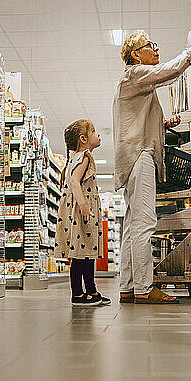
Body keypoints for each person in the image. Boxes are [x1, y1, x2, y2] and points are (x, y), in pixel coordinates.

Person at [113, 23, 191, 304]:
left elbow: (138, 121)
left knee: (132, 225)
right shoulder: (135, 74)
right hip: (139, 154)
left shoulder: (135, 83)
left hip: (131, 155)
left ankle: (128, 287)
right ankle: (144, 289)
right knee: (145, 222)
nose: (156, 50)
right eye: (150, 46)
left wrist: (164, 124)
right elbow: (170, 71)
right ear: (135, 55)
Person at [54, 120, 111, 306]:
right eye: (94, 131)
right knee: (80, 253)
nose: (98, 134)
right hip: (81, 211)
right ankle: (77, 294)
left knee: (87, 251)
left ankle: (91, 290)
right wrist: (84, 206)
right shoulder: (84, 156)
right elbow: (74, 182)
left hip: (78, 209)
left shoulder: (76, 158)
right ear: (84, 139)